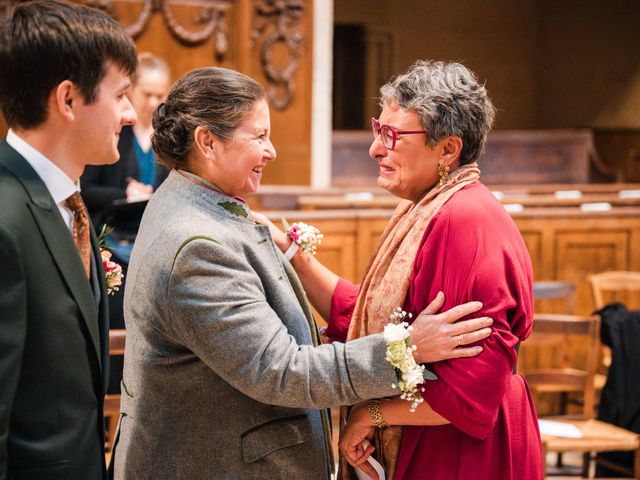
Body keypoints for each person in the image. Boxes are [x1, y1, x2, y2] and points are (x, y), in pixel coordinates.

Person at [112, 66, 495, 480]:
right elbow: (281, 371)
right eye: (258, 136)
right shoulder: (199, 245)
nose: (271, 151)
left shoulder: (192, 199)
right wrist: (405, 349)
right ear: (207, 141)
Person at [261, 60, 543, 479]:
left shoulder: (463, 221)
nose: (376, 148)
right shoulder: (428, 207)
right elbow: (375, 314)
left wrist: (368, 414)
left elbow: (470, 391)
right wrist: (290, 252)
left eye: (392, 136)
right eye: (379, 129)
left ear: (448, 149)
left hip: (462, 452)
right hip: (439, 435)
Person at [0, 1, 137, 479]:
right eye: (121, 95)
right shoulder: (5, 221)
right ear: (68, 100)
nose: (131, 113)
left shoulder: (67, 206)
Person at [81, 52, 171, 262]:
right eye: (147, 94)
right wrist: (125, 193)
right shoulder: (113, 132)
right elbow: (85, 189)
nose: (153, 103)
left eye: (160, 96)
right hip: (115, 243)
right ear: (131, 90)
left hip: (157, 241)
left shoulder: (169, 136)